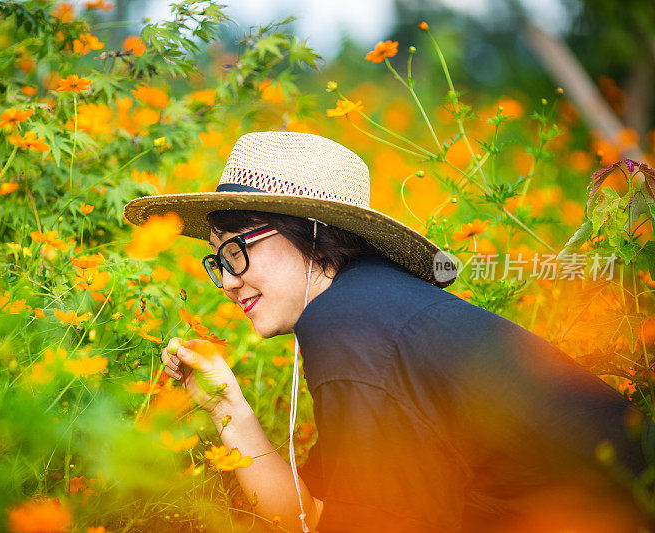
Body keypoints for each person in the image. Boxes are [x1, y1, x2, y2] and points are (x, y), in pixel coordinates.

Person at [123, 131, 654, 532]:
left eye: (237, 248)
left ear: (309, 232)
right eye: (217, 260)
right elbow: (308, 513)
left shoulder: (347, 320)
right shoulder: (365, 305)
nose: (228, 279)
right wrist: (226, 407)